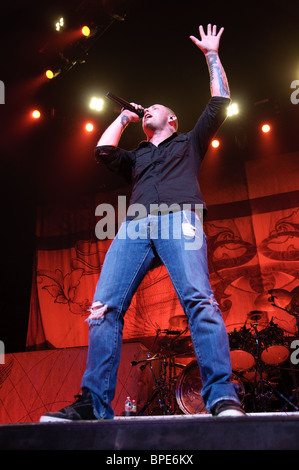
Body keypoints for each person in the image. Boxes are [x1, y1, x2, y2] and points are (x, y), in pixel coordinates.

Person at [40, 24, 245, 422]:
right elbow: (102, 150)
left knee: (199, 300)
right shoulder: (136, 158)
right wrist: (123, 118)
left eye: (156, 108)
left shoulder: (188, 141)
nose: (148, 109)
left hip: (179, 219)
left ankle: (221, 397)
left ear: (172, 118)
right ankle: (94, 404)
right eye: (144, 108)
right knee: (102, 308)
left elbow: (220, 101)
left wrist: (211, 54)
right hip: (134, 226)